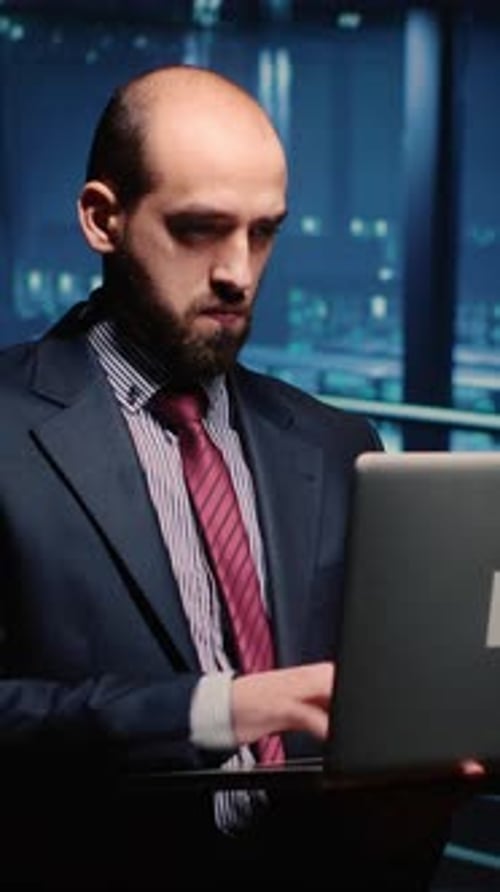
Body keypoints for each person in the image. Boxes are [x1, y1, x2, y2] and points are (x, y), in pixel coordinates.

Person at [0, 64, 480, 891]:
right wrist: (225, 706)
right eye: (199, 229)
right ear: (101, 218)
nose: (240, 273)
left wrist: (404, 806)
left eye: (264, 232)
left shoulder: (337, 444)